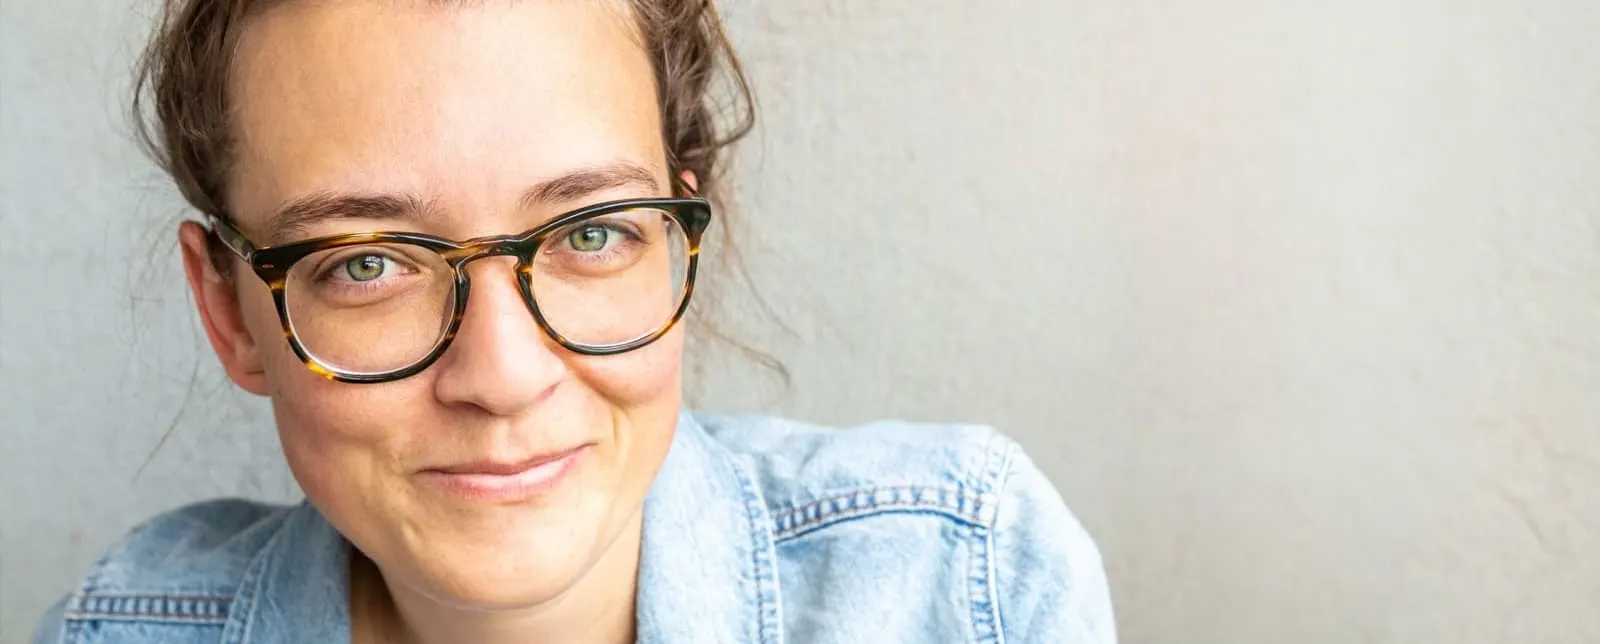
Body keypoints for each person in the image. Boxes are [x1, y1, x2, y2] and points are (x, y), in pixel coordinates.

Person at [32, 1, 1115, 642]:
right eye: (368, 262)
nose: (502, 375)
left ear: (678, 239)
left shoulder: (963, 583)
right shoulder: (116, 627)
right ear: (229, 309)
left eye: (591, 234)